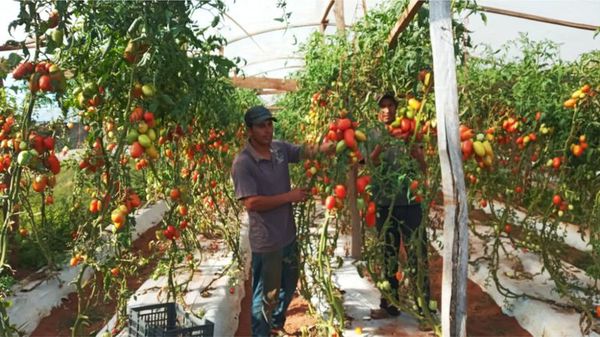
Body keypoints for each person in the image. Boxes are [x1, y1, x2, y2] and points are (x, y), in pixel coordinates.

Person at [232, 105, 325, 337]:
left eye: (270, 124)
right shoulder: (243, 163)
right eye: (261, 126)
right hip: (267, 241)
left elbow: (304, 151)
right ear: (250, 130)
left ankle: (275, 324)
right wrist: (289, 197)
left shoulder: (279, 149)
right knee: (266, 294)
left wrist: (331, 147)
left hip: (287, 234)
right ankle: (261, 333)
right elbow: (251, 203)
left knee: (289, 284)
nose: (267, 130)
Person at [368, 93, 430, 319]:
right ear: (378, 110)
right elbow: (370, 165)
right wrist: (380, 147)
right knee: (388, 255)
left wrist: (415, 152)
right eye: (382, 106)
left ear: (396, 108)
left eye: (390, 105)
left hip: (411, 203)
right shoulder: (373, 133)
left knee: (417, 253)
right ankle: (389, 305)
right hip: (385, 203)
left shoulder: (411, 131)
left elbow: (424, 167)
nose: (386, 110)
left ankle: (424, 310)